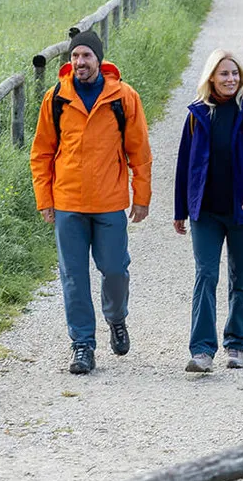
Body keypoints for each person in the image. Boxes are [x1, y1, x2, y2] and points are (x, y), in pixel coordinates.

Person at [30, 29, 152, 374]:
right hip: (67, 201)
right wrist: (45, 199)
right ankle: (82, 344)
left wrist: (140, 196)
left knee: (114, 269)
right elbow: (41, 153)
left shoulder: (123, 98)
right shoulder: (56, 98)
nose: (80, 62)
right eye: (74, 57)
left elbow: (139, 153)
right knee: (73, 277)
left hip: (110, 201)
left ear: (99, 59)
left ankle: (116, 317)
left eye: (86, 56)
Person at [173, 49, 243, 372]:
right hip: (206, 212)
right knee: (205, 275)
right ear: (211, 78)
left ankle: (236, 344)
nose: (230, 79)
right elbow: (184, 166)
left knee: (240, 278)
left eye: (234, 73)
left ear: (241, 77)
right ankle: (202, 351)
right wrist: (181, 210)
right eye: (224, 74)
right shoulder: (197, 116)